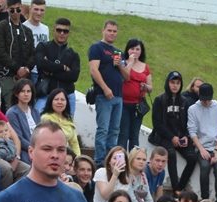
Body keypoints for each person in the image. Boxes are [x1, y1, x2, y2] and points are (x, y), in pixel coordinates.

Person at [149, 70, 194, 194]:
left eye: (178, 83)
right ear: (168, 83)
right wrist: (171, 137)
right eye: (172, 82)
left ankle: (180, 187)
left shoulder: (185, 101)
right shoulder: (160, 100)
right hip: (163, 136)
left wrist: (185, 136)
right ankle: (175, 189)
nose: (175, 85)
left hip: (179, 137)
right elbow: (157, 124)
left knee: (192, 158)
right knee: (171, 154)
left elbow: (187, 122)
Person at [87, 19, 124, 155]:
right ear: (103, 30)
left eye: (114, 31)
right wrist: (105, 88)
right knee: (103, 129)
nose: (112, 33)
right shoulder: (97, 47)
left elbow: (127, 76)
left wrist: (120, 64)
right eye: (109, 30)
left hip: (119, 95)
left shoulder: (118, 52)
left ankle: (111, 160)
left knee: (114, 130)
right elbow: (93, 70)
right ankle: (99, 160)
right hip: (104, 95)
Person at [187, 82, 217, 202]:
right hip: (202, 145)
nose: (206, 102)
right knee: (204, 167)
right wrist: (201, 149)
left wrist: (216, 151)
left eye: (208, 100)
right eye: (204, 100)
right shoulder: (193, 109)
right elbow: (192, 131)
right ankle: (205, 200)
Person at [0, 0, 33, 106]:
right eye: (12, 10)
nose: (15, 12)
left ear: (21, 8)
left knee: (25, 105)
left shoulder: (27, 31)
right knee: (10, 105)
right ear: (8, 10)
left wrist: (27, 68)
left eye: (18, 9)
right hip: (7, 74)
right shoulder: (0, 27)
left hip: (25, 75)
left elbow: (33, 52)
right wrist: (17, 68)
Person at [34, 16, 77, 116]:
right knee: (39, 124)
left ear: (69, 33)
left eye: (65, 31)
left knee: (66, 129)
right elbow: (40, 63)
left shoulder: (73, 54)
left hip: (67, 96)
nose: (62, 33)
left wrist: (50, 71)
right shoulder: (43, 46)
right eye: (59, 30)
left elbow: (73, 76)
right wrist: (62, 68)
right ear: (54, 30)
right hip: (46, 94)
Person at [116, 37, 149, 152]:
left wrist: (145, 86)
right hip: (124, 103)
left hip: (138, 106)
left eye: (137, 49)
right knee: (123, 134)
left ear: (141, 51)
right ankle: (121, 161)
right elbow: (126, 76)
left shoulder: (145, 67)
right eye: (132, 48)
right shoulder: (123, 63)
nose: (134, 51)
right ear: (127, 50)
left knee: (134, 135)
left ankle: (134, 160)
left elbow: (151, 87)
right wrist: (130, 62)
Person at [38, 88, 78, 157]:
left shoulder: (68, 119)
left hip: (67, 156)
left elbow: (74, 143)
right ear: (51, 101)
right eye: (56, 99)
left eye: (62, 100)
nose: (60, 102)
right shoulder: (46, 118)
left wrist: (78, 159)